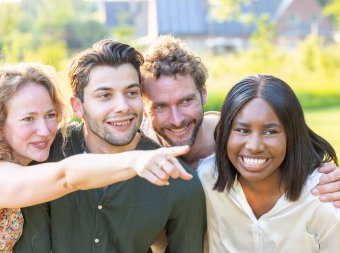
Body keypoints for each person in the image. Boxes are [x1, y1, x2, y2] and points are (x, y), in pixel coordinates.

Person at [0, 63, 195, 252]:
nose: (44, 130)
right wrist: (135, 160)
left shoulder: (25, 165)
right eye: (28, 119)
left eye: (50, 115)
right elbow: (66, 176)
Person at [140, 35, 340, 252]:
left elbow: (292, 145)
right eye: (160, 106)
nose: (177, 119)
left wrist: (329, 179)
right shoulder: (139, 155)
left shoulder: (237, 141)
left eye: (186, 101)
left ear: (203, 93)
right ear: (143, 107)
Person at [13, 40, 206, 253]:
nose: (122, 107)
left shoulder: (181, 181)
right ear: (78, 106)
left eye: (131, 93)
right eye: (105, 95)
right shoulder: (45, 157)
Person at [199, 74, 339, 252]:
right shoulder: (207, 179)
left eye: (270, 132)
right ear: (226, 132)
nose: (254, 146)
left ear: (291, 136)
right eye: (242, 130)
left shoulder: (323, 200)